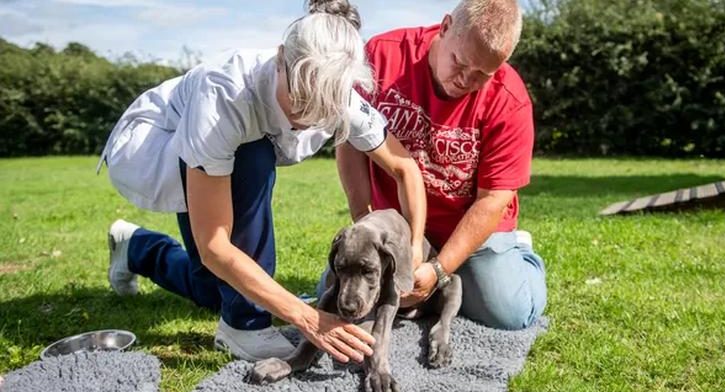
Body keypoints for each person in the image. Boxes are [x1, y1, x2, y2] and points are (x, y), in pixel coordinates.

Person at [98, 0, 427, 362]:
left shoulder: (339, 92)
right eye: (300, 99)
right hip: (152, 146)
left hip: (218, 155)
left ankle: (136, 248)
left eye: (323, 107)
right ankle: (244, 326)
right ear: (280, 58)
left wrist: (411, 253)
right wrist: (305, 316)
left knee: (215, 288)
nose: (306, 117)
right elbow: (215, 246)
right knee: (253, 154)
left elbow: (404, 168)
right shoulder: (225, 94)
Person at [336, 0, 546, 330]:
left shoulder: (510, 99)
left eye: (482, 75)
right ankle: (455, 281)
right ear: (445, 27)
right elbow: (350, 142)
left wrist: (438, 269)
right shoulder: (381, 57)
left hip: (465, 224)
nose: (466, 80)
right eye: (460, 63)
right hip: (398, 226)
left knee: (507, 311)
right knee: (340, 295)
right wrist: (364, 223)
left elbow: (493, 198)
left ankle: (519, 256)